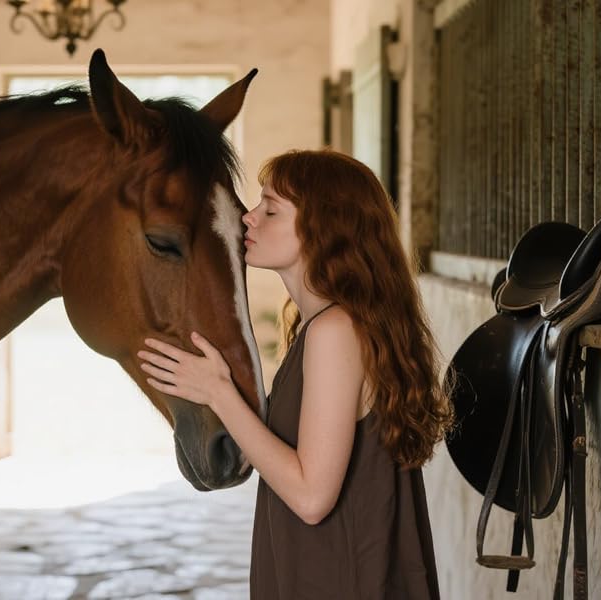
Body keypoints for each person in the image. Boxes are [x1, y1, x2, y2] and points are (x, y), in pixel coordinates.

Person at [137, 149, 452, 599]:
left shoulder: (335, 331)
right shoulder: (322, 325)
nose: (248, 218)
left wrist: (219, 392)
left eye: (270, 209)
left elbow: (310, 497)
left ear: (322, 228)